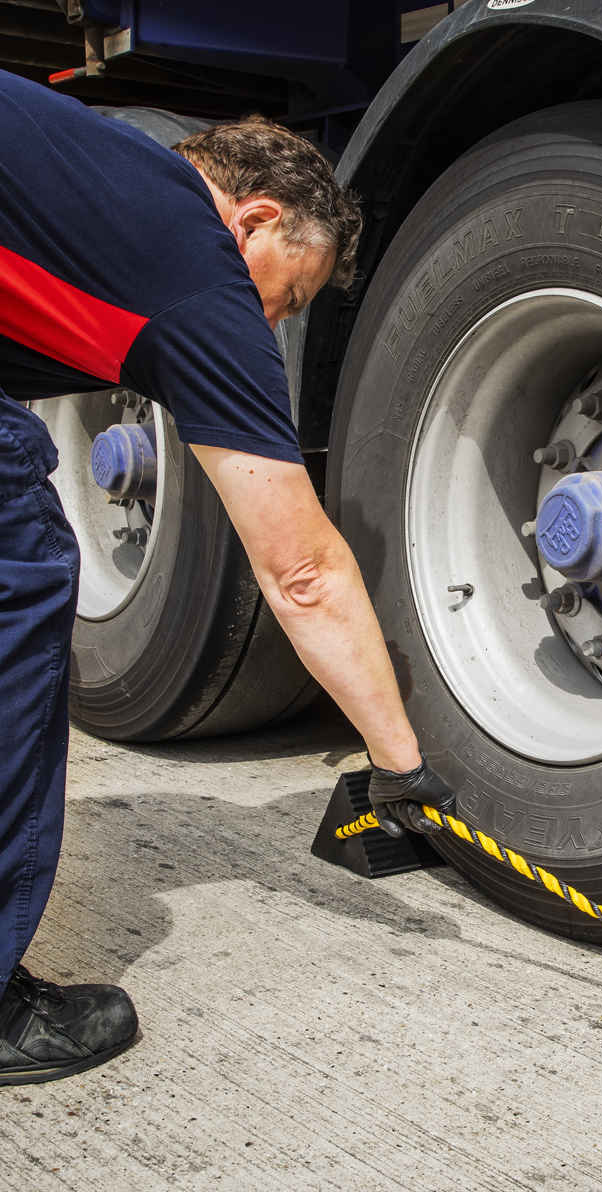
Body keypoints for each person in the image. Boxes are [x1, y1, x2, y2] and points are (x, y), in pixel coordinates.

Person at [0, 72, 454, 1086]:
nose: (267, 324)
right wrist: (401, 763)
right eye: (282, 295)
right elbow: (298, 572)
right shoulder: (191, 257)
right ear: (252, 219)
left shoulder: (80, 178)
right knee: (19, 578)